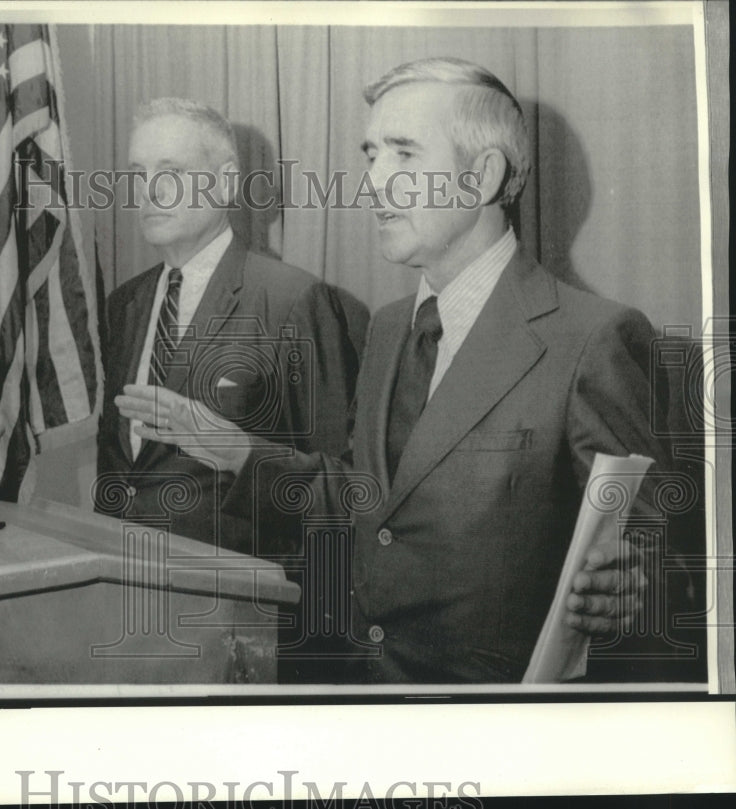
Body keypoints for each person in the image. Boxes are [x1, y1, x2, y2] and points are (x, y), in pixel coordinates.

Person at [116, 59, 669, 684]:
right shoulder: (385, 327)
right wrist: (237, 451)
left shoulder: (593, 337)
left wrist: (628, 590)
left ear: (481, 176)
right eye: (371, 155)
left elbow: (642, 551)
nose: (374, 182)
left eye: (404, 155)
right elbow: (368, 502)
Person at [95, 97, 366, 565]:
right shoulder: (125, 304)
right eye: (138, 175)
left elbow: (344, 488)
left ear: (223, 183)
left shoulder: (293, 300)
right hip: (127, 591)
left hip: (244, 605)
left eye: (171, 173)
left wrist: (240, 453)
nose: (149, 192)